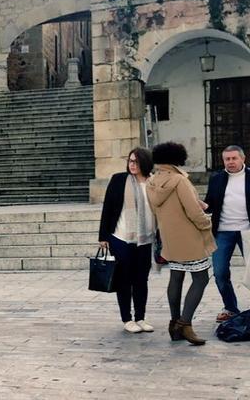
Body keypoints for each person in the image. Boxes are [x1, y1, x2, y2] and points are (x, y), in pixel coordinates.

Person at [147, 142, 217, 346]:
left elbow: (157, 209)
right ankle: (185, 324)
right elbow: (193, 212)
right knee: (201, 279)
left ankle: (174, 323)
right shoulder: (179, 180)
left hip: (169, 237)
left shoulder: (151, 182)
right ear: (179, 158)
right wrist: (207, 222)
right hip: (190, 237)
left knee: (176, 277)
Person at [98, 148, 157, 333]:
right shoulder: (119, 180)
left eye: (136, 162)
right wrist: (103, 236)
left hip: (145, 239)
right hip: (121, 238)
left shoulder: (153, 182)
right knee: (124, 280)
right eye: (130, 161)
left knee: (141, 280)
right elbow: (107, 208)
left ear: (145, 163)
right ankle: (127, 319)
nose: (132, 165)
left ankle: (140, 317)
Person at [203, 145, 248, 323]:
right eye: (227, 159)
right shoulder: (216, 179)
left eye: (234, 158)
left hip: (248, 232)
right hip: (223, 232)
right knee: (220, 272)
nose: (230, 162)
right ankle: (230, 308)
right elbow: (210, 205)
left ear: (242, 159)